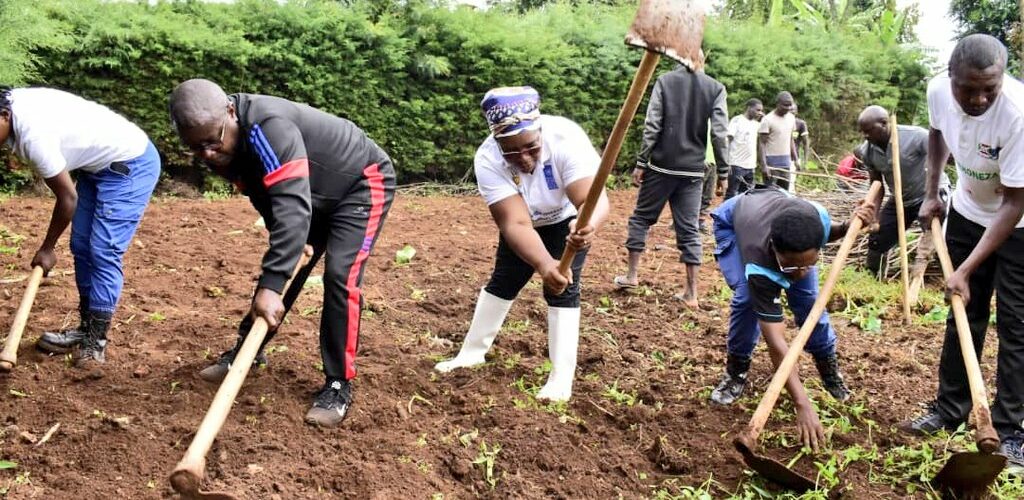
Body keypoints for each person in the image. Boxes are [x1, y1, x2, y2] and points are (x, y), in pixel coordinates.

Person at [169, 79, 395, 427]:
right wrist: (284, 247)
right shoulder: (218, 144)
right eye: (196, 148)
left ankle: (338, 384)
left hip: (359, 184)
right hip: (307, 195)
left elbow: (291, 204)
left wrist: (272, 284)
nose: (208, 155)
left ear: (230, 111)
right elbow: (263, 194)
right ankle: (247, 351)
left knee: (340, 276)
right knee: (284, 263)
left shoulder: (268, 126)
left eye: (212, 142)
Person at [433, 86, 608, 402]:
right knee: (504, 280)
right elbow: (514, 222)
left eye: (531, 147)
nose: (524, 159)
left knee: (563, 287)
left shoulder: (566, 138)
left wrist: (588, 225)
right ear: (498, 142)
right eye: (512, 152)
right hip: (525, 221)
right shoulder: (488, 158)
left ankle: (560, 379)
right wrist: (544, 264)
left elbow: (592, 200)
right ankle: (471, 353)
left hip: (569, 220)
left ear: (539, 131)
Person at [900, 34, 1024, 472]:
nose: (978, 98)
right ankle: (948, 410)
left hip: (1019, 224)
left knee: (1017, 326)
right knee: (962, 316)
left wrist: (965, 270)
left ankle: (1011, 432)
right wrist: (933, 192)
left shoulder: (1018, 116)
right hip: (969, 212)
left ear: (1002, 78)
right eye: (968, 88)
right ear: (949, 77)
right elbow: (937, 134)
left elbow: (1013, 204)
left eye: (989, 88)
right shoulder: (938, 91)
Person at [0, 87, 160, 368]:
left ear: (4, 116)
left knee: (103, 250)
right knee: (81, 245)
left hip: (131, 164)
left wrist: (47, 248)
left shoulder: (33, 136)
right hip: (96, 167)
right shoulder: (9, 104)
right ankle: (85, 329)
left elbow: (67, 198)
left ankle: (95, 342)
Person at [708, 185, 874, 448]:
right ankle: (735, 372)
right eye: (791, 267)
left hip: (778, 209)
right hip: (737, 221)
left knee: (810, 304)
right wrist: (802, 402)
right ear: (775, 249)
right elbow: (776, 342)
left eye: (808, 264)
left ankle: (828, 368)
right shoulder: (759, 259)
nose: (799, 274)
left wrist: (851, 224)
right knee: (746, 301)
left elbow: (828, 233)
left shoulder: (815, 219)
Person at [614, 65, 729, 308]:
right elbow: (719, 133)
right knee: (688, 229)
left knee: (641, 219)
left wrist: (641, 161)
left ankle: (632, 276)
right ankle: (692, 293)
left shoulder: (665, 81)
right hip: (693, 171)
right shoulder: (716, 88)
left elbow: (652, 124)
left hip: (662, 167)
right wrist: (724, 170)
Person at [854, 105, 949, 277]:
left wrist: (934, 193)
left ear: (884, 123)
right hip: (901, 198)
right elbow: (877, 184)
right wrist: (873, 214)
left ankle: (944, 280)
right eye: (863, 132)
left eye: (869, 131)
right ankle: (872, 279)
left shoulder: (915, 136)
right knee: (878, 239)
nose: (865, 136)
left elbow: (941, 155)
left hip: (929, 194)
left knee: (937, 238)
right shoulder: (867, 151)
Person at [758, 92, 799, 191]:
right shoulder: (767, 120)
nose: (788, 108)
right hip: (771, 162)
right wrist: (764, 166)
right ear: (778, 103)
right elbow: (762, 143)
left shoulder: (791, 118)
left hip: (785, 161)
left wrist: (796, 159)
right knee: (770, 192)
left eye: (790, 105)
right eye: (785, 105)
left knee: (784, 192)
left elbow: (790, 139)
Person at [725, 98, 764, 199]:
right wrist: (726, 162)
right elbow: (727, 140)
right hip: (736, 164)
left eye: (761, 110)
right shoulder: (737, 120)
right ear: (749, 108)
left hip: (750, 166)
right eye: (757, 110)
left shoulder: (756, 124)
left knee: (746, 195)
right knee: (732, 194)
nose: (760, 113)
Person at [792, 103, 809, 168]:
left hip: (794, 159)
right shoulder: (781, 123)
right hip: (781, 157)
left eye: (793, 110)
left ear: (796, 112)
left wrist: (805, 161)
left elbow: (806, 143)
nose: (791, 112)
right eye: (789, 110)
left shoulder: (801, 124)